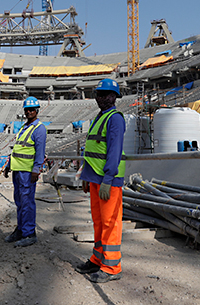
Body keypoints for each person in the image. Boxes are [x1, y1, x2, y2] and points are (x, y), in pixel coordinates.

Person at [75, 78, 126, 283]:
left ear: (114, 97)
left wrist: (107, 179)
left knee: (110, 223)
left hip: (108, 182)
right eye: (99, 94)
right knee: (98, 221)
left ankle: (112, 267)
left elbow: (114, 152)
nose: (101, 97)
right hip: (95, 179)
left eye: (105, 94)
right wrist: (87, 176)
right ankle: (97, 259)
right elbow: (92, 150)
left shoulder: (115, 119)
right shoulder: (99, 117)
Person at [3, 96, 46, 248]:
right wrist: (9, 165)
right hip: (18, 170)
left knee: (27, 202)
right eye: (27, 110)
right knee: (20, 202)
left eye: (31, 109)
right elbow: (17, 149)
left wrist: (36, 169)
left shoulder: (39, 128)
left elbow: (40, 152)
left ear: (37, 110)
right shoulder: (24, 127)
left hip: (28, 172)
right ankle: (21, 229)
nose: (29, 112)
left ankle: (29, 233)